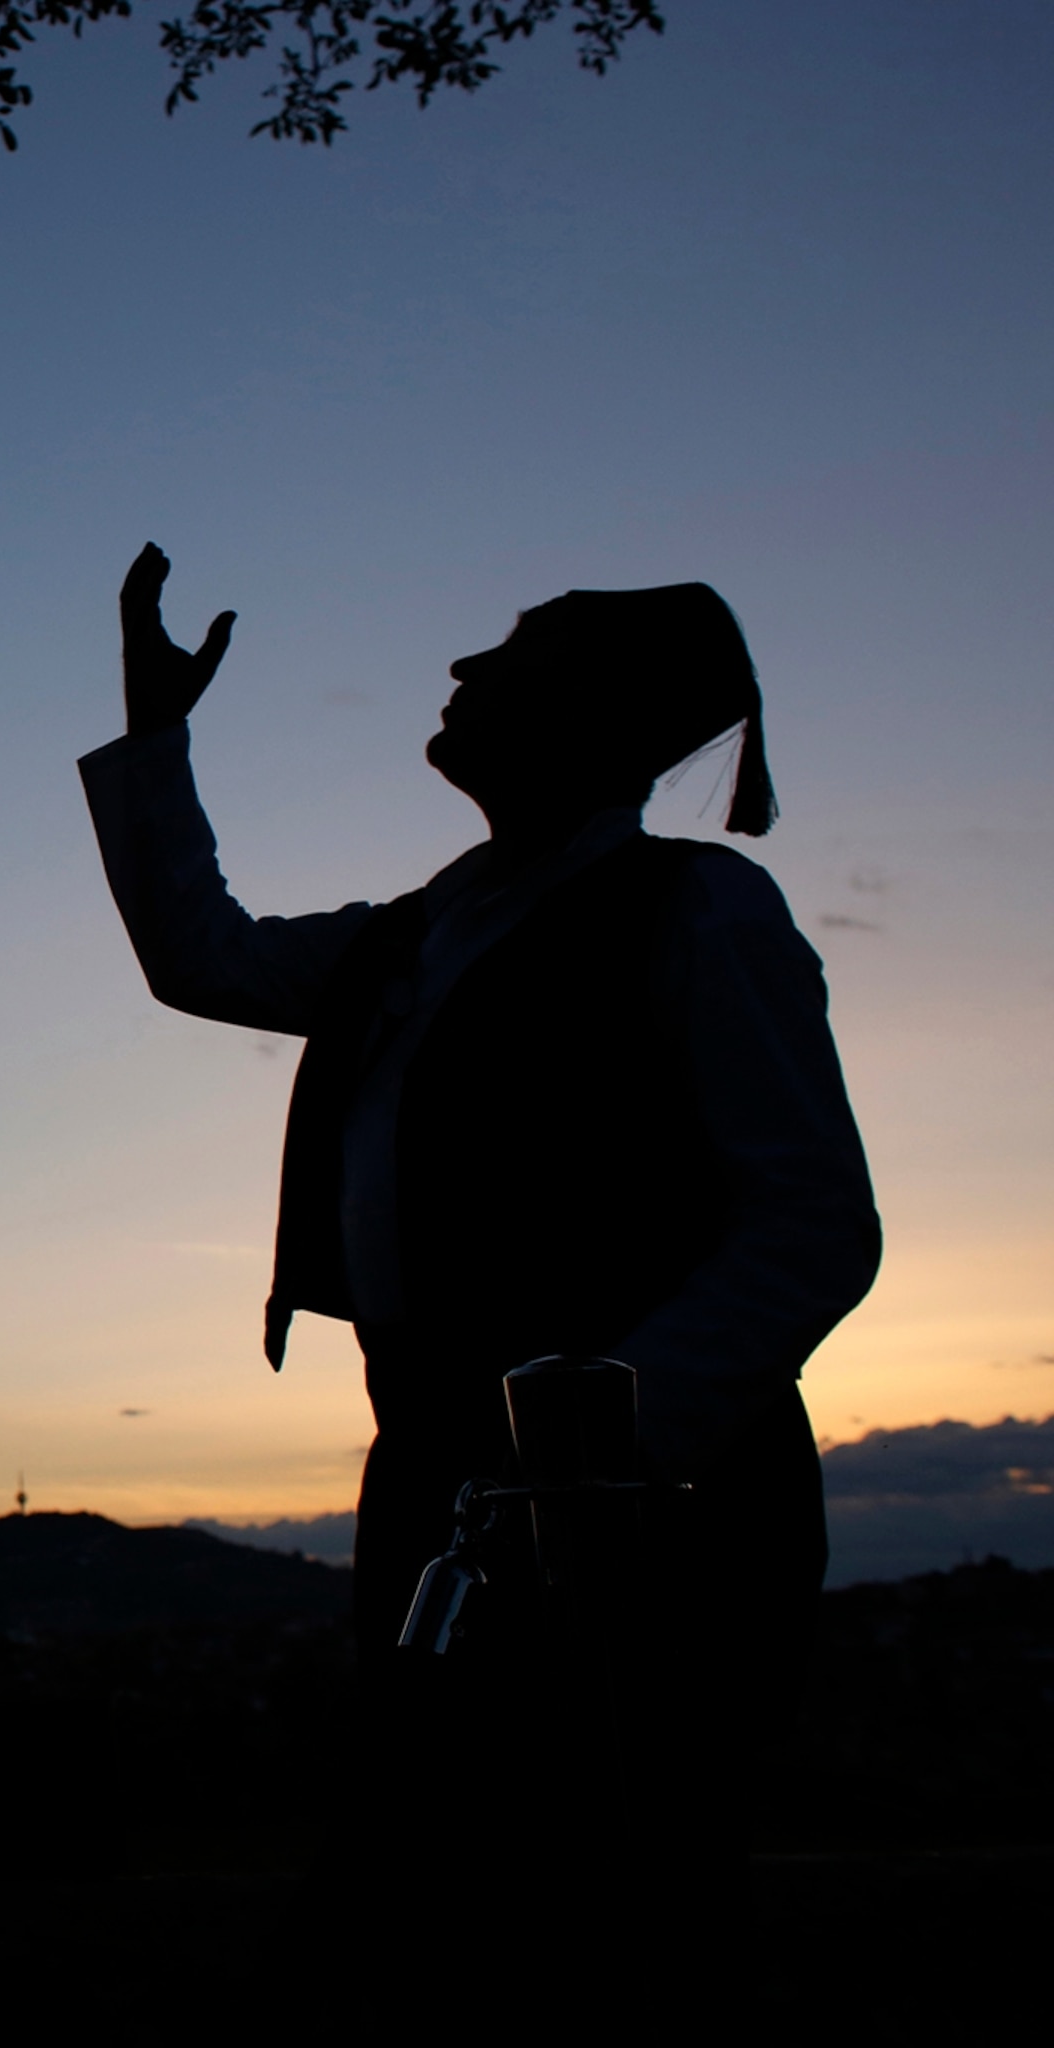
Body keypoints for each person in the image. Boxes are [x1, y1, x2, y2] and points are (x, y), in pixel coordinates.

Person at [79, 546, 881, 1918]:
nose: (465, 668)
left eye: (516, 651)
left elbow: (811, 1222)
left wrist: (593, 1445)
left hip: (638, 1518)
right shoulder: (423, 931)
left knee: (611, 1888)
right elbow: (203, 960)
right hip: (444, 1477)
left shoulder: (698, 907)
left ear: (599, 713)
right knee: (447, 1875)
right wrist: (160, 736)